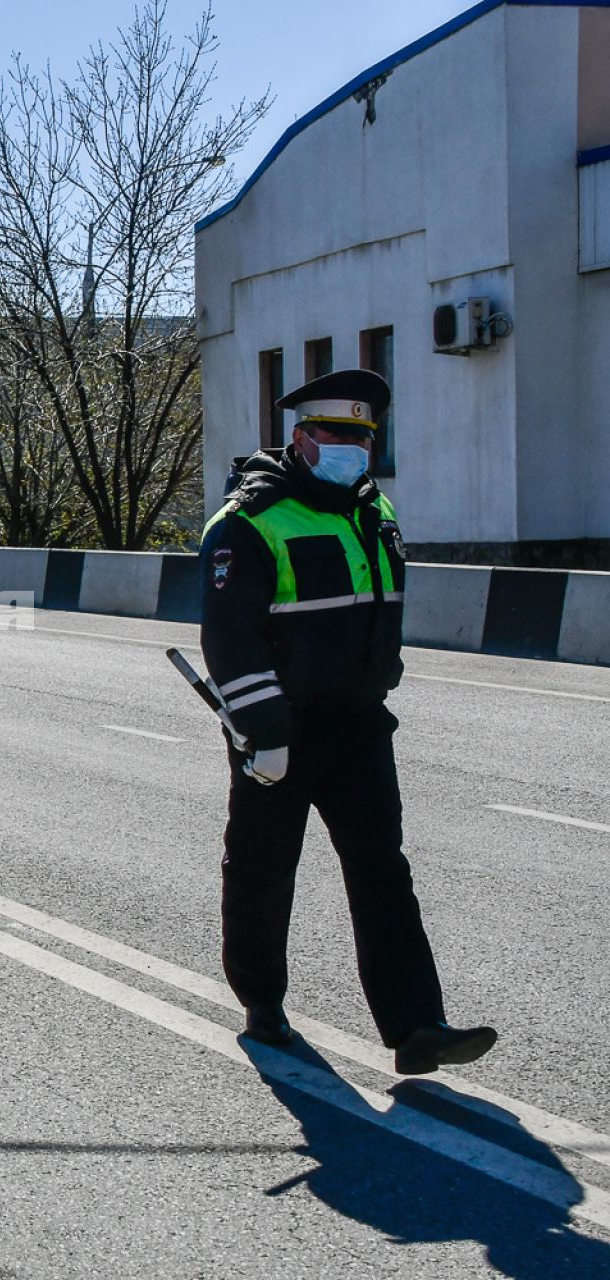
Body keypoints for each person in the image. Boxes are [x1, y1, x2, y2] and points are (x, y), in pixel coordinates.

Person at [199, 369, 496, 1076]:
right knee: (264, 872)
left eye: (363, 436)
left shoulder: (373, 510)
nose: (353, 447)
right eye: (337, 434)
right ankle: (262, 1001)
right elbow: (232, 639)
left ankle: (417, 1027)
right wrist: (263, 732)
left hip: (360, 726)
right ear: (300, 438)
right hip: (283, 727)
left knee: (382, 872)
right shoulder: (247, 522)